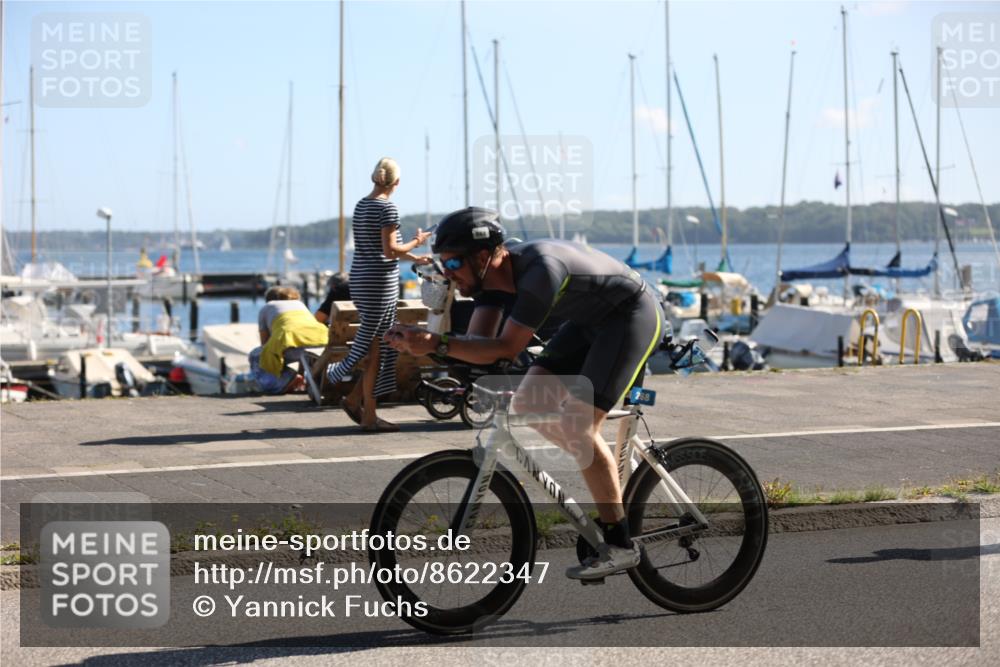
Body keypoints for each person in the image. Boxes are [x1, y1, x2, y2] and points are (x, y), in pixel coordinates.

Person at [386, 207, 665, 580]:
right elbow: (480, 345)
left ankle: (620, 542)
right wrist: (430, 350)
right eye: (442, 262)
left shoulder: (539, 273)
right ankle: (601, 476)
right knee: (531, 405)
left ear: (483, 257)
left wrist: (435, 344)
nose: (447, 272)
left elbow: (502, 347)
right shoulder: (486, 284)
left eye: (453, 261)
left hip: (630, 315)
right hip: (586, 324)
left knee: (578, 427)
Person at [321, 157, 432, 431]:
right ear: (397, 182)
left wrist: (414, 257)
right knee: (378, 345)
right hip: (379, 282)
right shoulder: (388, 209)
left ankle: (359, 403)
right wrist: (418, 241)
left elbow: (376, 250)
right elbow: (388, 251)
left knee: (377, 348)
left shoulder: (361, 205)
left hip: (360, 277)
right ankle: (365, 409)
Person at [250, 286, 329, 395]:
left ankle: (284, 382)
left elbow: (265, 343)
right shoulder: (300, 304)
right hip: (322, 341)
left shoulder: (267, 307)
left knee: (256, 355)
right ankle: (301, 380)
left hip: (291, 342)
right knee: (302, 350)